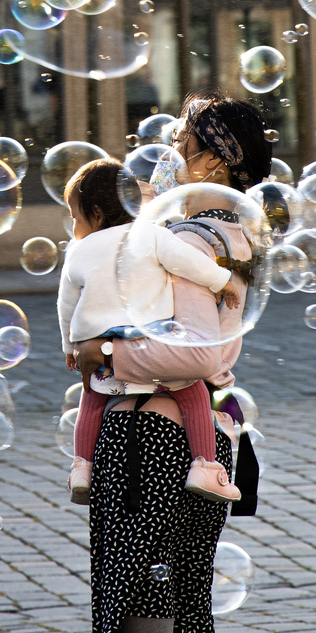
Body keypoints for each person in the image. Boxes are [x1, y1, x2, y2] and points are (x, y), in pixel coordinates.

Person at [71, 90, 271, 633]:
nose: (170, 153)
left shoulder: (186, 240)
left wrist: (105, 350)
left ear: (213, 162)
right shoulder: (241, 233)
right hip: (209, 439)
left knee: (130, 609)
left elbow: (194, 350)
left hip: (151, 440)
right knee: (186, 610)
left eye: (182, 143)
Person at [57, 157, 241, 505]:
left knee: (92, 398)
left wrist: (71, 345)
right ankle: (205, 466)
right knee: (194, 393)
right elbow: (188, 262)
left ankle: (82, 466)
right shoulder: (152, 235)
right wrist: (222, 281)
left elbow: (66, 304)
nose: (74, 224)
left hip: (99, 347)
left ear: (95, 212)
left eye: (75, 216)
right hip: (148, 337)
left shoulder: (78, 251)